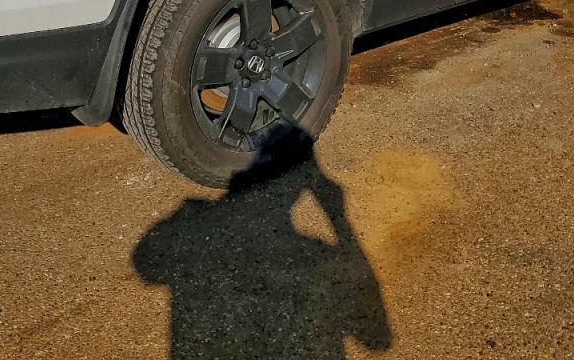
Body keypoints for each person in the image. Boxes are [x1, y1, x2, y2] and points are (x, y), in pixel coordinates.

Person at [133, 146, 391, 360]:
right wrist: (339, 218)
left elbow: (146, 263)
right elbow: (377, 340)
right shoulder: (315, 257)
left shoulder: (195, 232)